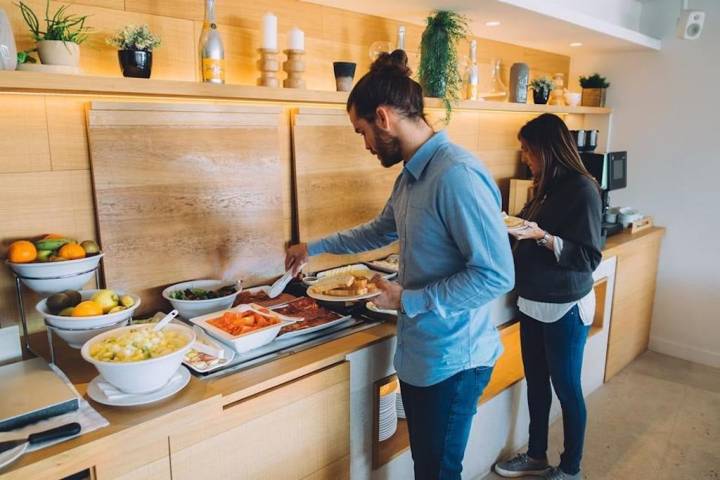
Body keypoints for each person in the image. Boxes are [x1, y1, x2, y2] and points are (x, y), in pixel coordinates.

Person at [285, 50, 514, 480]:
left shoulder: (456, 175)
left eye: (362, 132)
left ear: (384, 118)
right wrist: (311, 247)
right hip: (423, 355)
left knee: (438, 471)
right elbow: (378, 231)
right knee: (427, 466)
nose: (366, 145)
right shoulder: (412, 175)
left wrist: (406, 298)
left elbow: (495, 274)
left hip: (455, 359)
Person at [494, 113, 602, 480]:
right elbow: (525, 226)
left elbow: (589, 256)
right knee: (536, 384)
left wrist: (542, 237)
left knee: (568, 389)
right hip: (532, 301)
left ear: (548, 150)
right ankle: (536, 455)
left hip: (565, 307)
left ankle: (571, 467)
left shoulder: (583, 190)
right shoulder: (545, 185)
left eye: (528, 150)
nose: (525, 157)